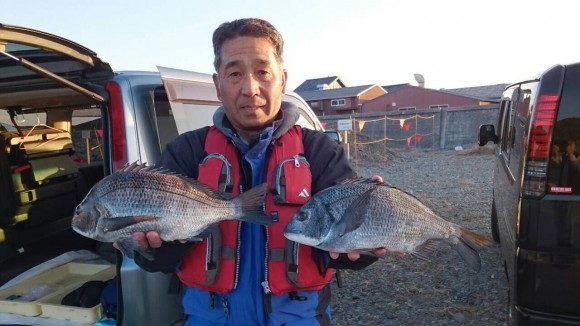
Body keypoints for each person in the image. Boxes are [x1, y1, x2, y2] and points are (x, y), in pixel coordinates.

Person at [126, 18, 385, 325]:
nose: (250, 89)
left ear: (283, 81)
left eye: (263, 72)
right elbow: (160, 261)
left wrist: (364, 247)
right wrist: (149, 247)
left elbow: (345, 246)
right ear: (217, 84)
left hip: (299, 318)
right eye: (234, 73)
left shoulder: (320, 151)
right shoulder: (186, 152)